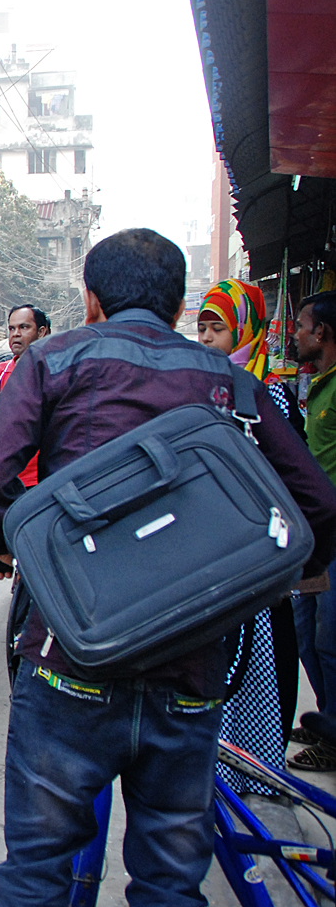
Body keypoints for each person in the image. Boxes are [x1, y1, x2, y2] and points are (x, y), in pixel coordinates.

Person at [0, 229, 336, 907]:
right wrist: (255, 580)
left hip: (69, 666)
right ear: (178, 304)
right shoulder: (233, 383)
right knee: (168, 889)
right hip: (188, 674)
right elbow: (318, 507)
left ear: (91, 303)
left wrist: (20, 549)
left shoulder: (52, 363)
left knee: (36, 872)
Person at [196, 279, 300, 787]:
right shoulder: (197, 390)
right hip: (212, 556)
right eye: (203, 328)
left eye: (220, 328)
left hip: (260, 556)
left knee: (259, 669)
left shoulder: (270, 393)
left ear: (246, 329)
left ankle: (256, 776)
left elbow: (299, 485)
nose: (210, 339)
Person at [289, 290, 336, 769]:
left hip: (333, 533)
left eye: (302, 325)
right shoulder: (317, 383)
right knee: (309, 633)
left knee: (329, 637)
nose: (297, 333)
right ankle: (327, 718)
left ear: (321, 332)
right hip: (314, 533)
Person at [0, 304, 51, 487]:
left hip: (47, 479)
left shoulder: (57, 372)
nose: (15, 334)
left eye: (24, 327)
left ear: (42, 332)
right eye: (12, 328)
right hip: (6, 479)